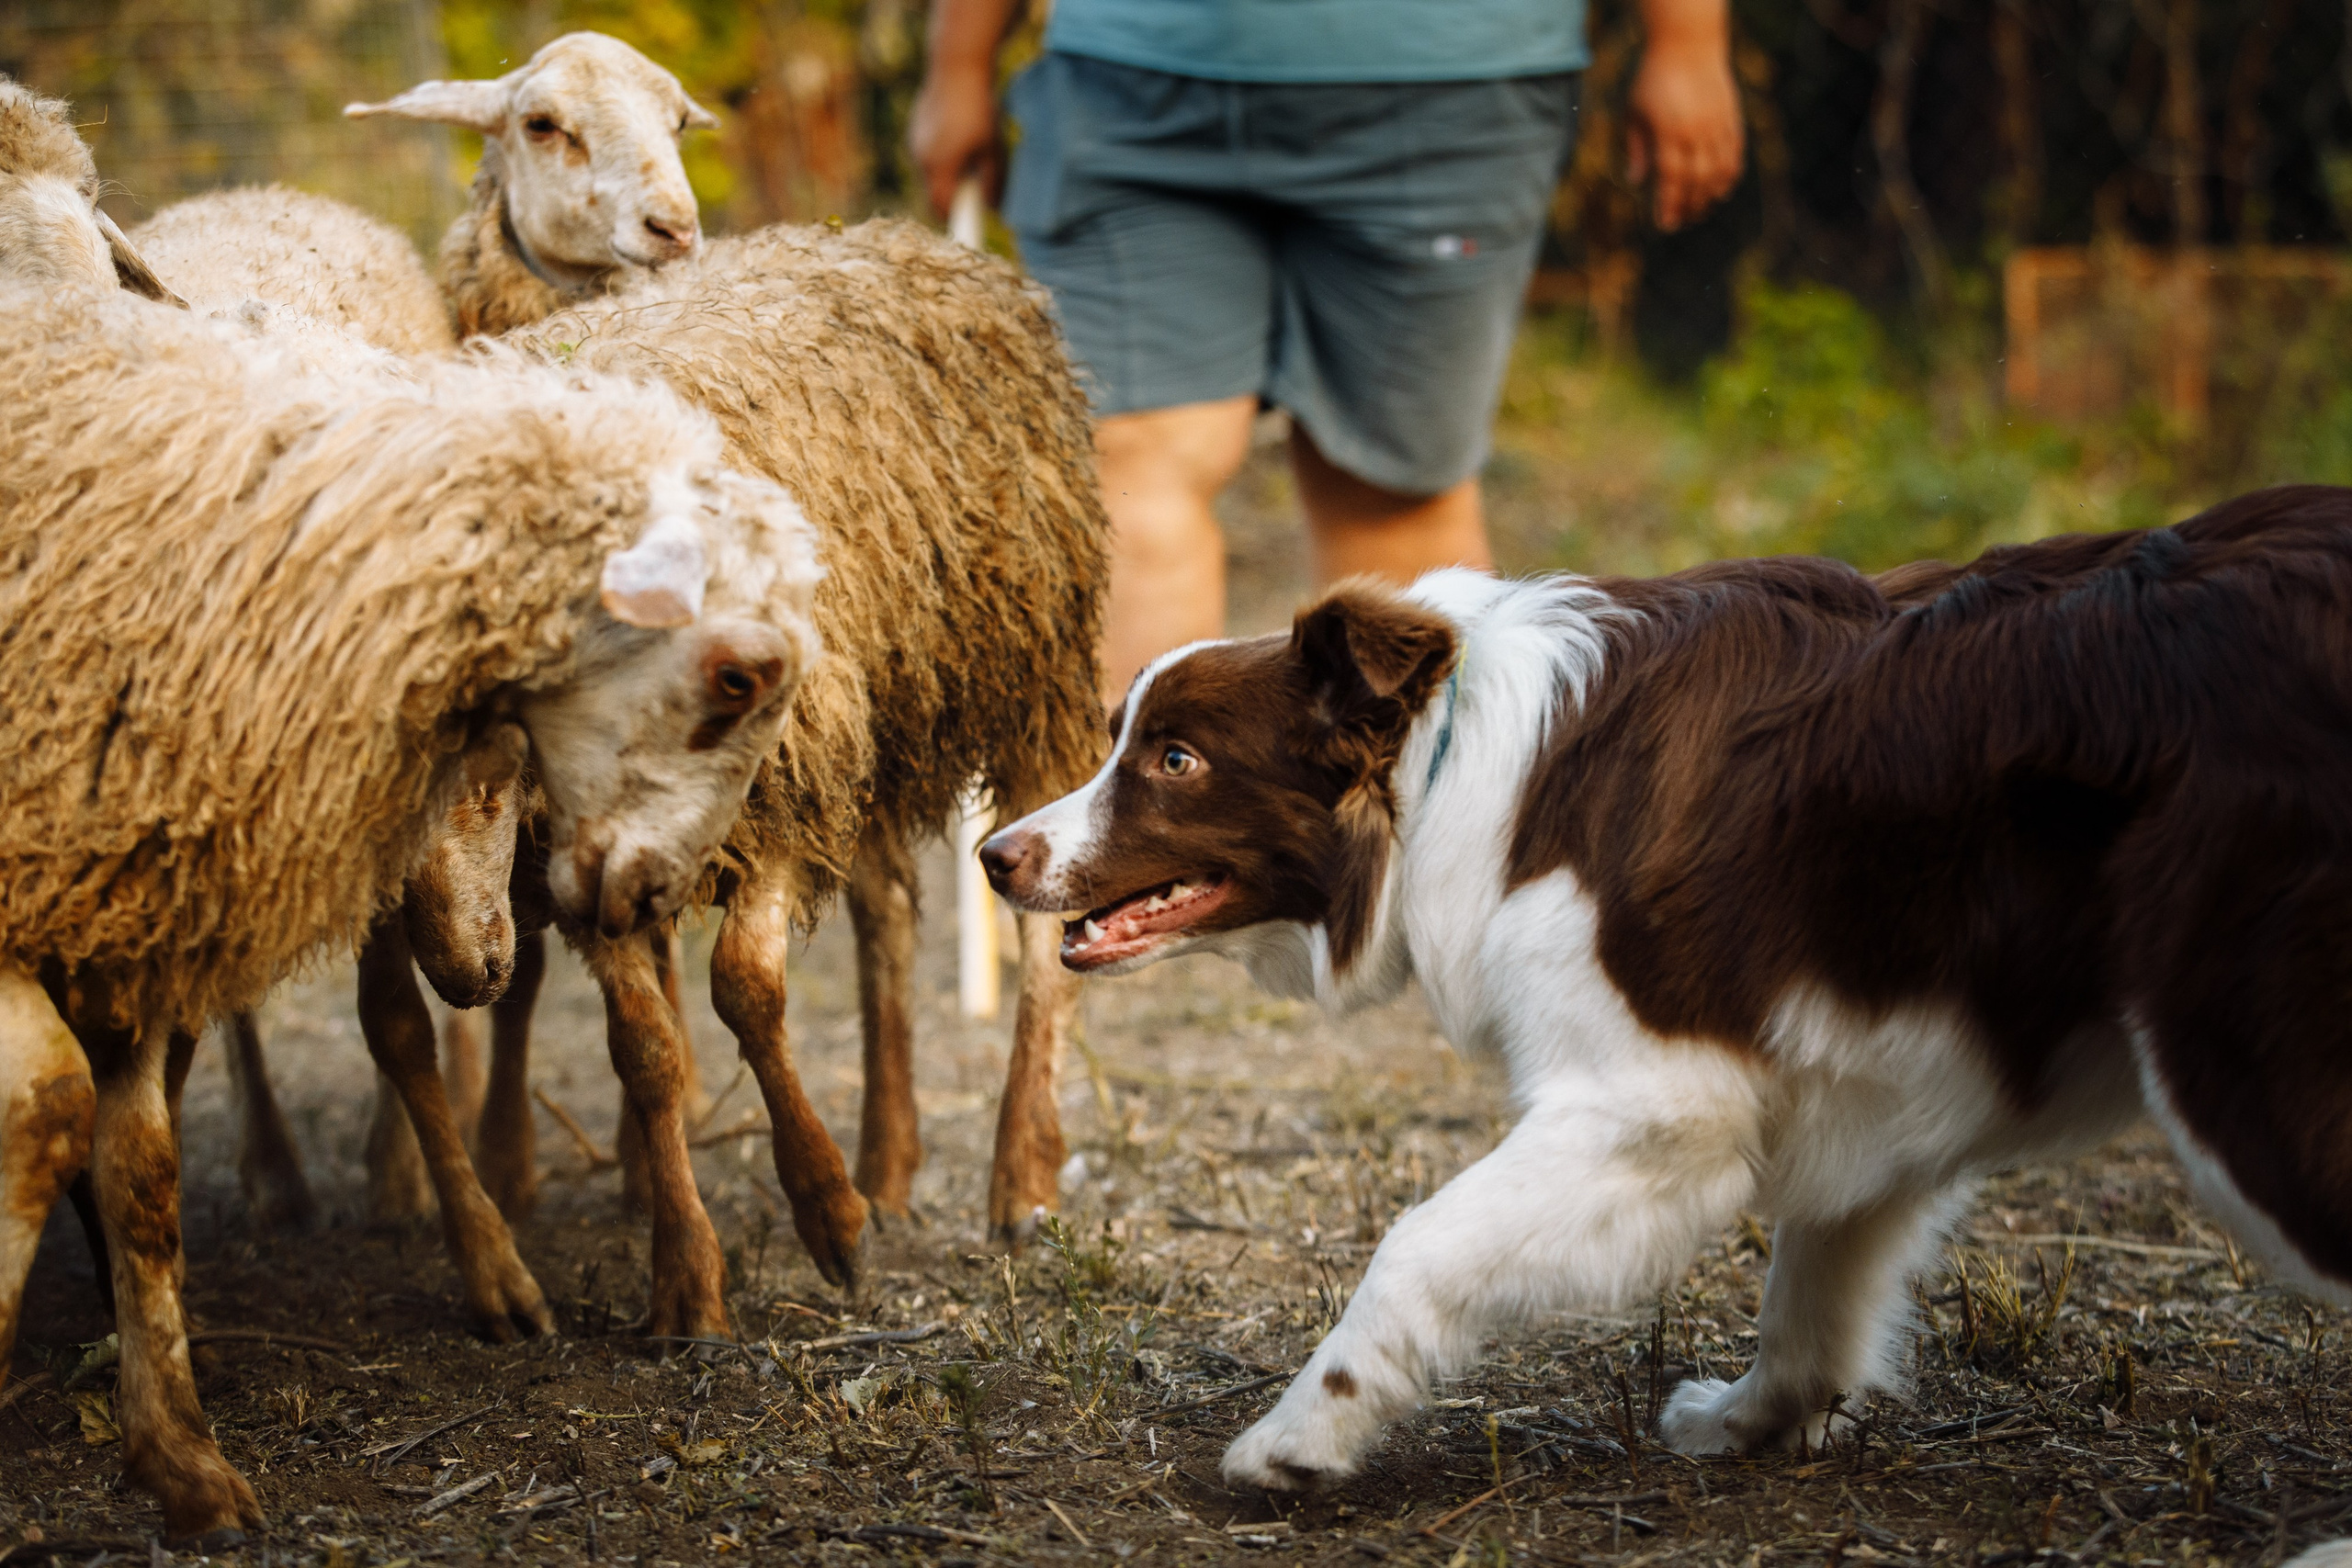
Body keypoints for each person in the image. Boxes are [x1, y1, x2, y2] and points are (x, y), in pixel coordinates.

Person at [911, 0, 1744, 698]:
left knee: (1391, 496)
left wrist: (1688, 41)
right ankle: (1118, 870)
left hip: (1447, 83)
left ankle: (1421, 882)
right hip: (1133, 83)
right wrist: (958, 61)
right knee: (1127, 470)